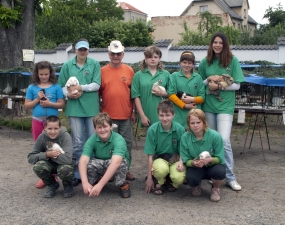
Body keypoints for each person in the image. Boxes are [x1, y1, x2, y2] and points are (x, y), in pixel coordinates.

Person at [198, 32, 245, 191]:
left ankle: (230, 177)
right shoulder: (205, 62)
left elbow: (237, 85)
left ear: (225, 45)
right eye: (215, 42)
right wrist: (209, 78)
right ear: (211, 45)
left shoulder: (233, 60)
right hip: (208, 107)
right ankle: (215, 175)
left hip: (225, 107)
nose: (217, 45)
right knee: (212, 141)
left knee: (224, 140)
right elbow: (200, 83)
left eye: (220, 43)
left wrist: (219, 86)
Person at [58, 38, 101, 187]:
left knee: (92, 141)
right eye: (80, 49)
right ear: (75, 50)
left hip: (91, 108)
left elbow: (96, 85)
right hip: (74, 108)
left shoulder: (94, 64)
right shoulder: (67, 65)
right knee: (77, 142)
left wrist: (79, 88)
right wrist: (68, 94)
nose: (82, 52)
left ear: (88, 50)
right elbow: (61, 86)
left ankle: (91, 172)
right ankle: (77, 173)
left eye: (85, 49)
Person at [24, 61, 65, 188]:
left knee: (53, 147)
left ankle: (54, 174)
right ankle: (44, 176)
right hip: (37, 120)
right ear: (37, 74)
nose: (44, 76)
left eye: (46, 74)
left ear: (50, 73)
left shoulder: (56, 87)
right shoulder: (32, 88)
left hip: (52, 122)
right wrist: (37, 99)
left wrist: (50, 104)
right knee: (40, 147)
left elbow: (62, 104)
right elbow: (26, 106)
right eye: (41, 74)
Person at [99, 40, 136, 181]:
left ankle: (125, 170)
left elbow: (133, 94)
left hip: (126, 115)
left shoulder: (129, 70)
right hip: (108, 117)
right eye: (113, 54)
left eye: (118, 53)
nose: (116, 56)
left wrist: (133, 112)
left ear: (123, 54)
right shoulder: (102, 71)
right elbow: (98, 94)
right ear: (109, 54)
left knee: (127, 144)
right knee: (109, 145)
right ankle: (110, 171)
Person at [78, 112, 131, 198]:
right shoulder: (91, 140)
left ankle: (122, 184)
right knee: (88, 164)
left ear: (111, 126)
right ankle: (94, 182)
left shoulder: (119, 139)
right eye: (99, 127)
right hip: (101, 162)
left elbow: (116, 162)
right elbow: (83, 161)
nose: (102, 130)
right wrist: (84, 182)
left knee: (121, 163)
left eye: (105, 126)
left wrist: (100, 185)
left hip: (113, 163)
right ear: (95, 129)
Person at [180, 109, 226, 202]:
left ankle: (215, 188)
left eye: (198, 122)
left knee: (220, 172)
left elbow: (220, 158)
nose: (195, 125)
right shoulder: (185, 137)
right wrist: (193, 163)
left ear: (204, 122)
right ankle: (196, 185)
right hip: (196, 166)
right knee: (191, 178)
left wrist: (210, 160)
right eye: (192, 123)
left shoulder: (215, 136)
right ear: (189, 124)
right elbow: (185, 159)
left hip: (212, 165)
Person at [27, 115, 76, 198]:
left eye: (56, 128)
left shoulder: (66, 136)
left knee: (65, 169)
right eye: (50, 128)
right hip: (50, 163)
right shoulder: (42, 137)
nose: (53, 132)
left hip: (64, 163)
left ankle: (67, 185)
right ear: (45, 127)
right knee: (38, 167)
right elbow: (30, 157)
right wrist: (47, 154)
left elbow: (67, 159)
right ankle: (52, 184)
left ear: (60, 128)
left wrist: (52, 156)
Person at [144, 99, 186, 195]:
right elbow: (150, 155)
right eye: (161, 115)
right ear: (158, 115)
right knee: (160, 170)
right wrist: (149, 177)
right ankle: (159, 182)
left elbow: (183, 151)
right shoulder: (152, 130)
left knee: (179, 178)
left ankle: (172, 182)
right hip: (160, 158)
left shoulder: (180, 129)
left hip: (175, 158)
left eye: (168, 115)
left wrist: (181, 162)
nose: (164, 118)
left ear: (173, 115)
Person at [131, 46, 170, 127]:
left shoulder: (166, 74)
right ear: (145, 58)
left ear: (159, 58)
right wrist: (142, 116)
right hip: (147, 116)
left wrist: (163, 94)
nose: (153, 59)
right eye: (150, 57)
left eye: (155, 57)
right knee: (149, 138)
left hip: (164, 116)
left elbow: (171, 93)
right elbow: (136, 96)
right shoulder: (138, 75)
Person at [168, 51, 205, 129]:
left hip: (195, 116)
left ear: (193, 64)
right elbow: (171, 94)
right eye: (184, 62)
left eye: (189, 63)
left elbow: (202, 97)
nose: (187, 65)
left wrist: (192, 99)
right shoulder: (174, 76)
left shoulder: (198, 78)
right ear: (180, 63)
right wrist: (185, 105)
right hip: (179, 115)